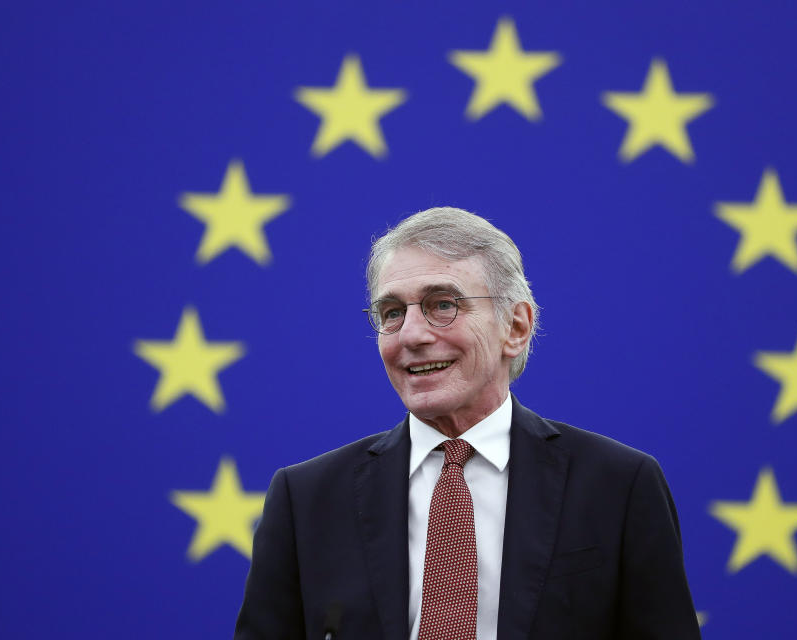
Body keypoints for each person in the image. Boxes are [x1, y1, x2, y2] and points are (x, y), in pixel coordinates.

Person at [235, 207, 701, 639]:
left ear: (515, 328)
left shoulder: (619, 485)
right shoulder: (305, 498)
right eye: (392, 312)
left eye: (442, 304)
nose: (413, 335)